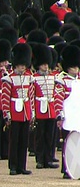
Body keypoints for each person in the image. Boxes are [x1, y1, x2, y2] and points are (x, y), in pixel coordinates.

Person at [1, 43, 34, 176]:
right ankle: (13, 166)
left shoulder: (29, 78)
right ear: (15, 64)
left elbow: (31, 96)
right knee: (14, 141)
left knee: (23, 141)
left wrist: (32, 113)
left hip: (25, 112)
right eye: (21, 65)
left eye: (24, 65)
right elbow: (5, 98)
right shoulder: (8, 79)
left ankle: (22, 166)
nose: (23, 67)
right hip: (14, 113)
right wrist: (7, 115)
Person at [31, 44, 58, 170]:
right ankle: (40, 159)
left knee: (49, 136)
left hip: (51, 109)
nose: (45, 66)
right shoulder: (34, 78)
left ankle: (48, 158)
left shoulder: (53, 77)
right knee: (40, 136)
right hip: (40, 109)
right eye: (43, 64)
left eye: (47, 64)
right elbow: (32, 95)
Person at [55, 45, 80, 179]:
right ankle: (66, 168)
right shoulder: (61, 80)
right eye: (73, 67)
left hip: (78, 115)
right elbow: (58, 99)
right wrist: (60, 114)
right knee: (67, 142)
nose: (75, 70)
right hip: (68, 115)